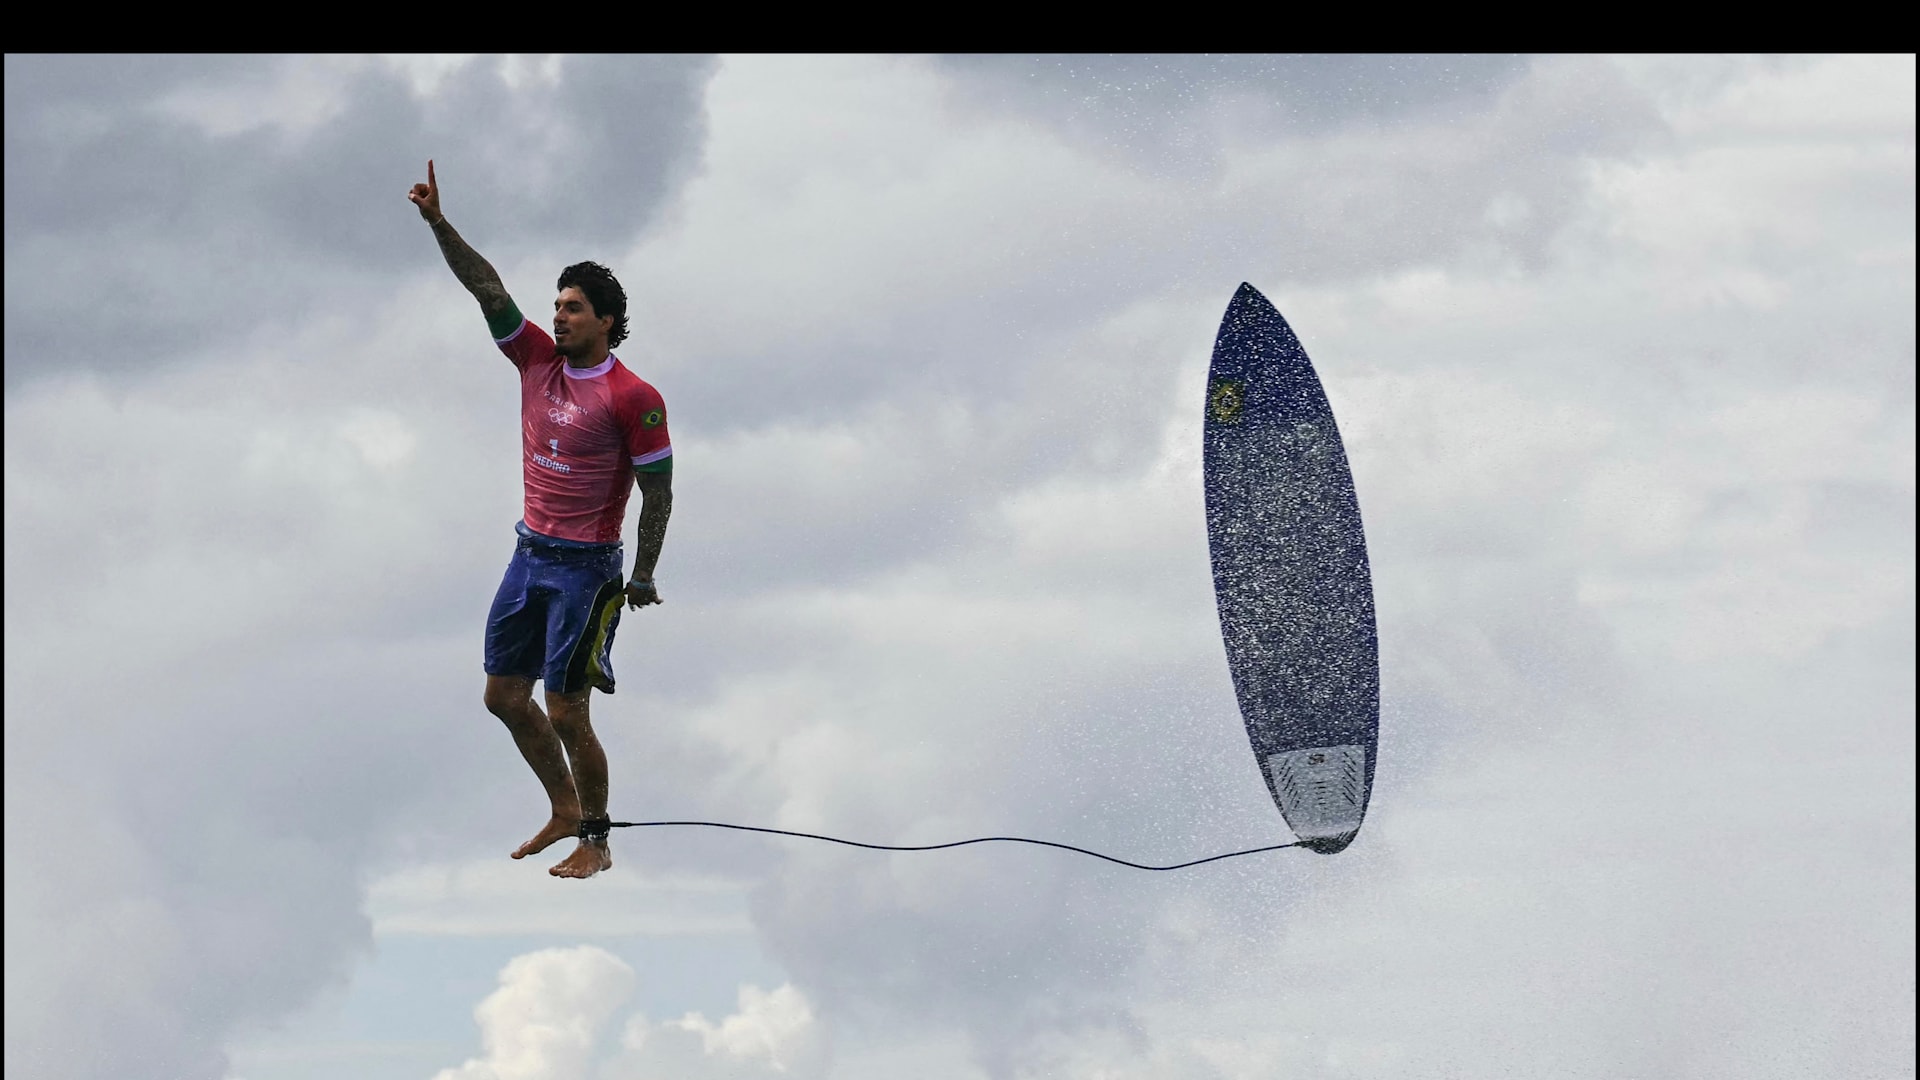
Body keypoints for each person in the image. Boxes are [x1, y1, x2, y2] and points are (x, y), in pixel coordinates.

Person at [409, 160, 673, 880]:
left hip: (587, 570)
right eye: (556, 305)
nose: (558, 316)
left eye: (573, 308)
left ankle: (596, 837)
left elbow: (659, 491)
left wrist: (643, 573)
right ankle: (562, 806)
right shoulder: (534, 360)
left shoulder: (633, 396)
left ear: (607, 321)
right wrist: (438, 222)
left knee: (565, 709)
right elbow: (486, 287)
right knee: (502, 696)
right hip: (529, 554)